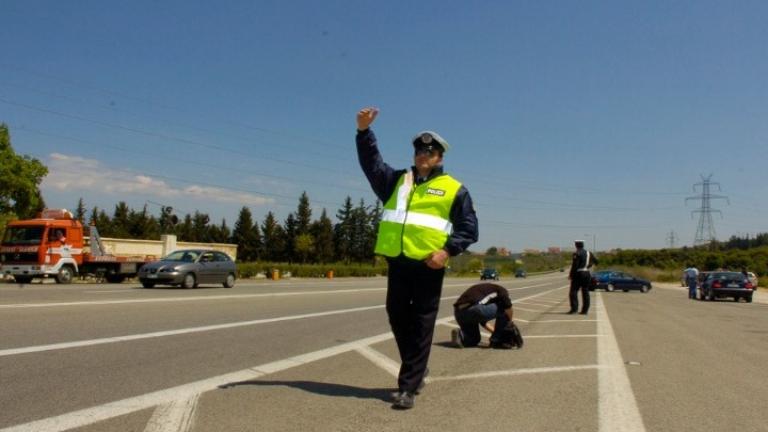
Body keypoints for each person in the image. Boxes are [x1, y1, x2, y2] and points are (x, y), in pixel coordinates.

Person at [356, 107, 478, 410]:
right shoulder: (397, 181)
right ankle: (418, 368)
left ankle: (408, 387)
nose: (423, 154)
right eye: (419, 150)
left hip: (428, 265)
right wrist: (363, 132)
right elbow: (372, 165)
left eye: (430, 151)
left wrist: (447, 251)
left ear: (440, 156)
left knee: (422, 324)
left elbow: (469, 228)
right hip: (398, 262)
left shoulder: (453, 189)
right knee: (397, 315)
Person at [451, 283, 515, 348]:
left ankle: (461, 336)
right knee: (504, 309)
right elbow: (508, 307)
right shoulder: (502, 290)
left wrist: (495, 333)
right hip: (473, 308)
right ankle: (497, 341)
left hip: (459, 313)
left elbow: (483, 321)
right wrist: (510, 322)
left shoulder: (485, 291)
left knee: (474, 340)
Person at [568, 239, 598, 315]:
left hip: (579, 273)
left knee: (573, 292)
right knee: (585, 292)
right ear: (583, 245)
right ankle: (585, 310)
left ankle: (574, 309)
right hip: (587, 273)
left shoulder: (576, 253)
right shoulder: (589, 253)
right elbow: (596, 262)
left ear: (576, 245)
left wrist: (571, 275)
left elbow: (575, 266)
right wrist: (589, 265)